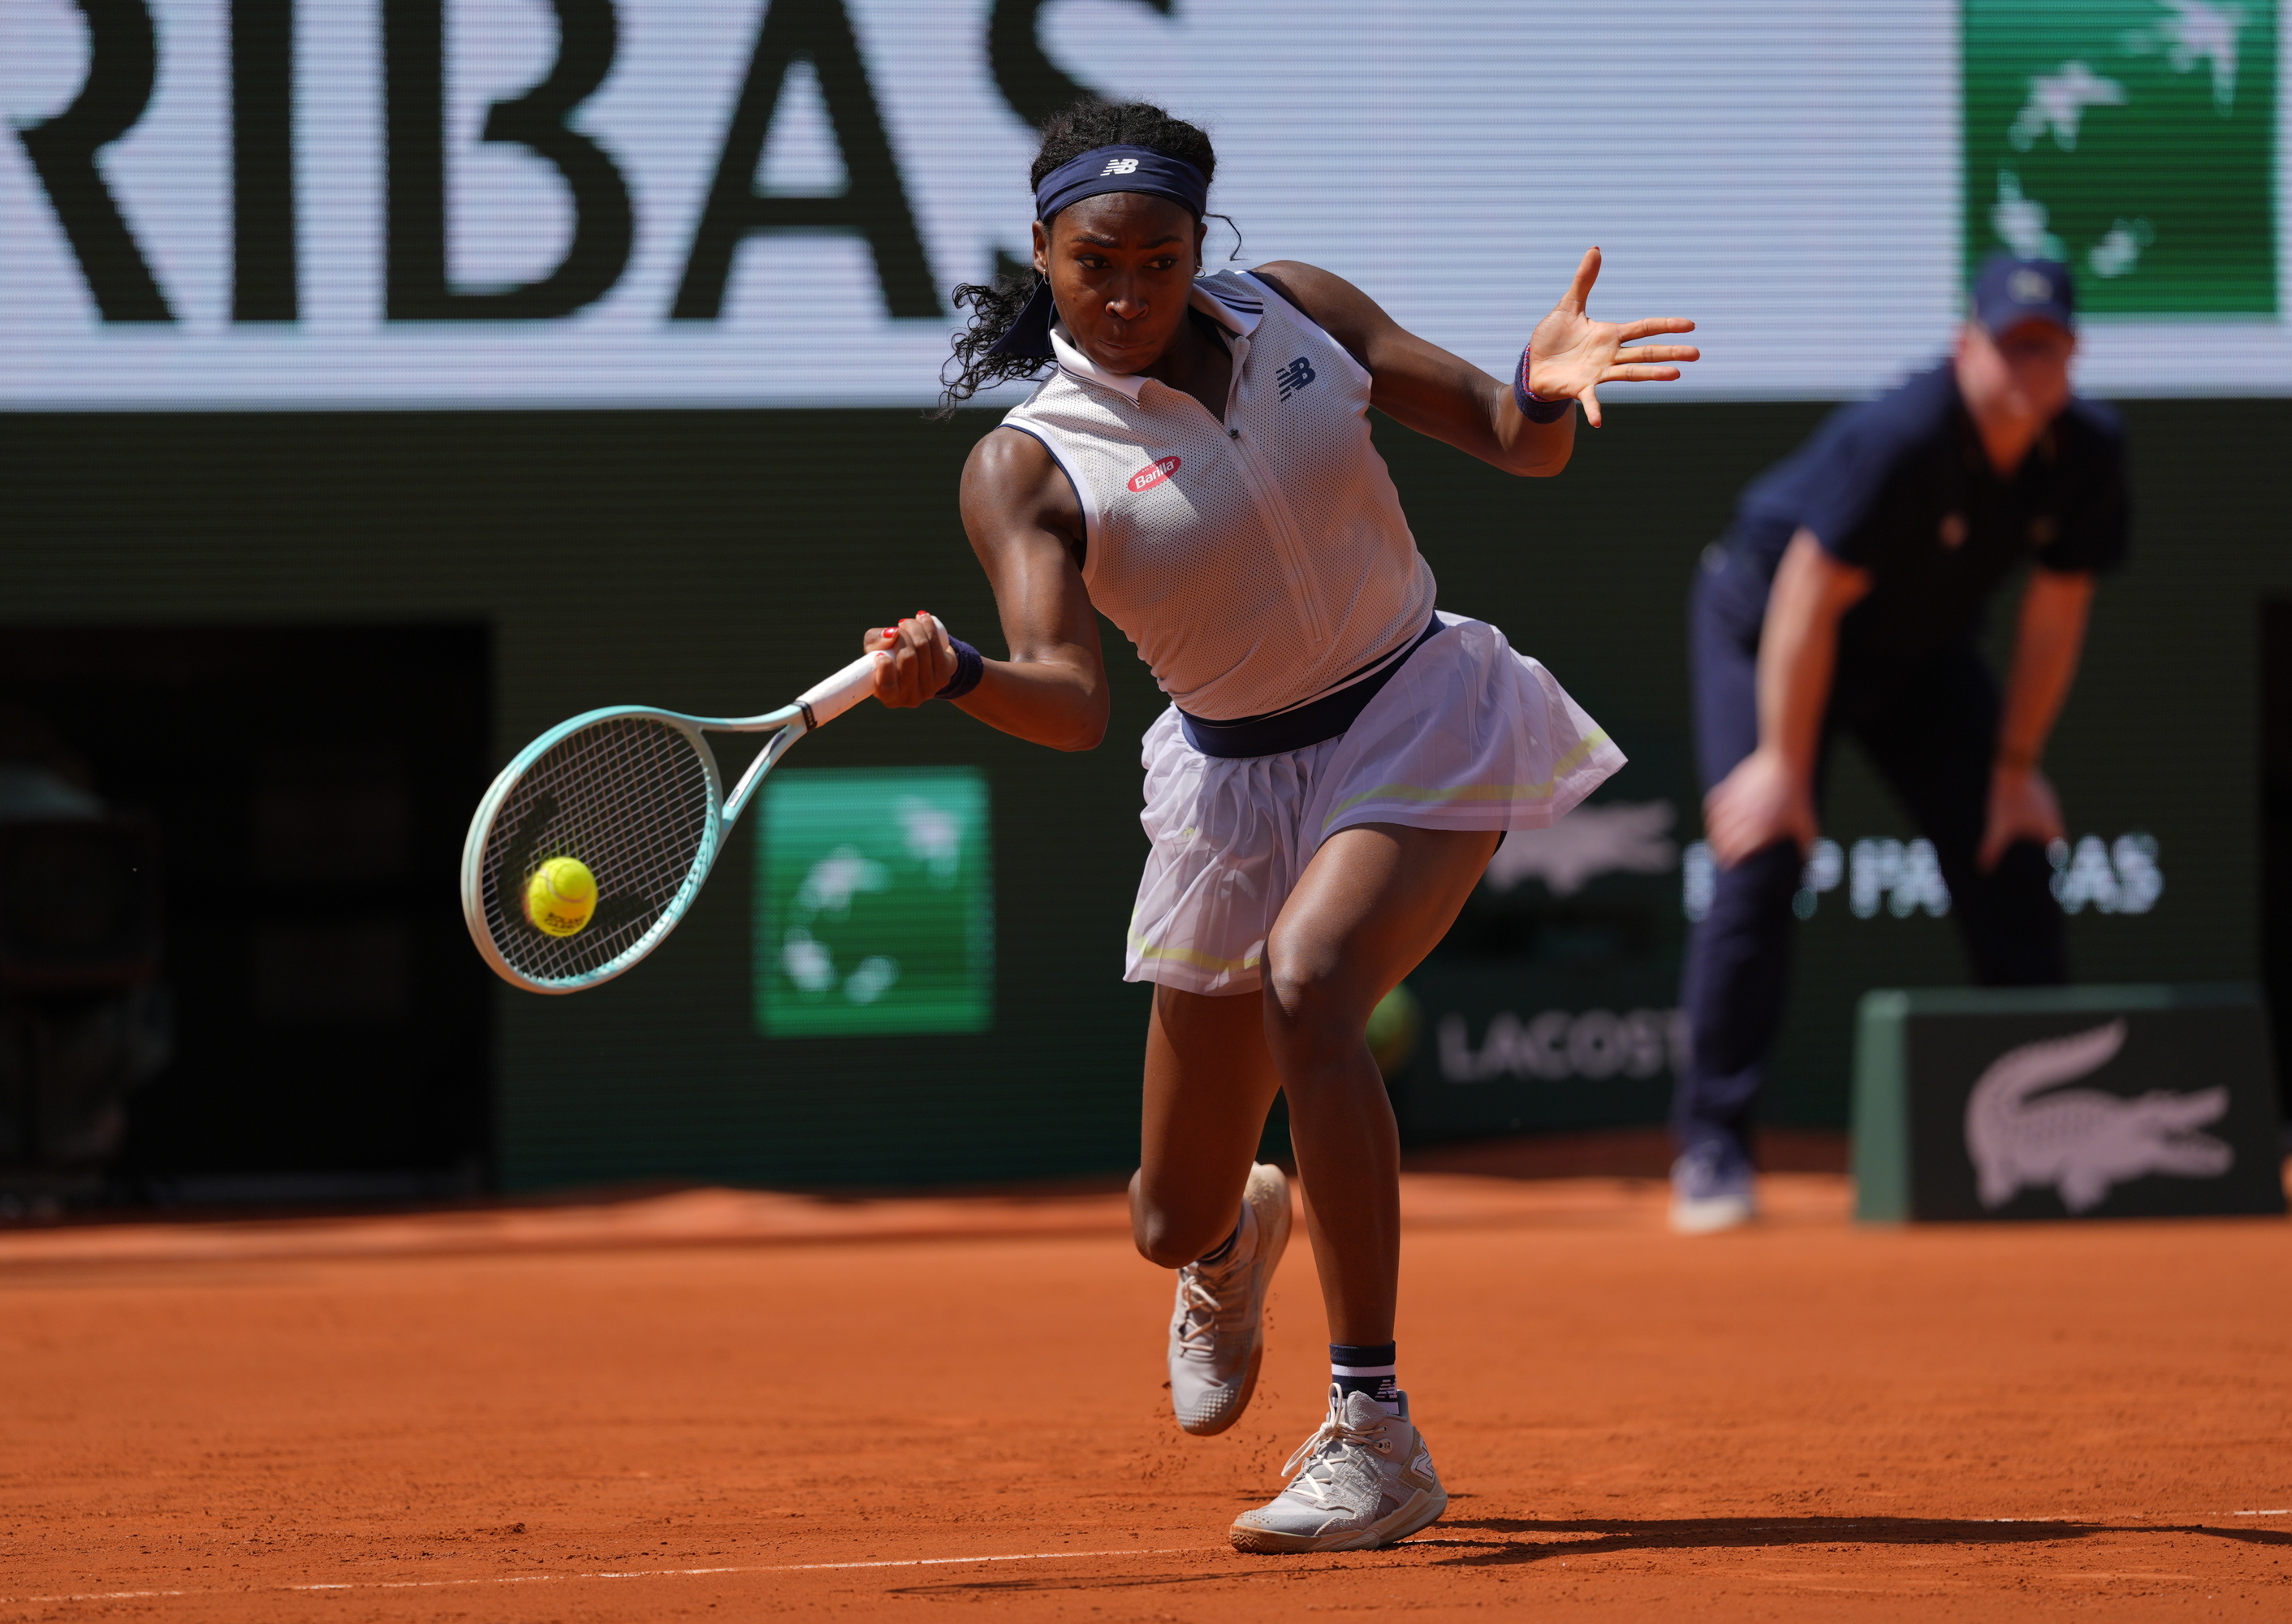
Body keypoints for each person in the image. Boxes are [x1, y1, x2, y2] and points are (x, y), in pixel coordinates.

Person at [863, 102, 1698, 1552]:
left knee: (1313, 988)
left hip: (1416, 707)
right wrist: (962, 678)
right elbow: (1068, 702)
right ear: (1044, 251)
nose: (1127, 296)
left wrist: (1542, 390)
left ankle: (1374, 1431)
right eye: (1094, 264)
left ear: (1204, 248)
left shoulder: (1302, 312)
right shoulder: (1029, 463)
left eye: (1160, 260)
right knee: (1163, 1218)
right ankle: (1236, 1236)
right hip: (1232, 783)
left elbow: (1515, 442)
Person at [1673, 257, 2127, 1234]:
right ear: (1967, 346)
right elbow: (1806, 592)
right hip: (1771, 624)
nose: (2025, 369)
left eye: (2045, 350)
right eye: (2008, 346)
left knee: (2009, 846)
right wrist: (1782, 769)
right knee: (1763, 847)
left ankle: (2047, 1131)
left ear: (2072, 360)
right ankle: (1713, 1145)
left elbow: (2056, 613)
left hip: (1916, 653)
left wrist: (2013, 771)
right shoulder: (1902, 437)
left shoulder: (2088, 454)